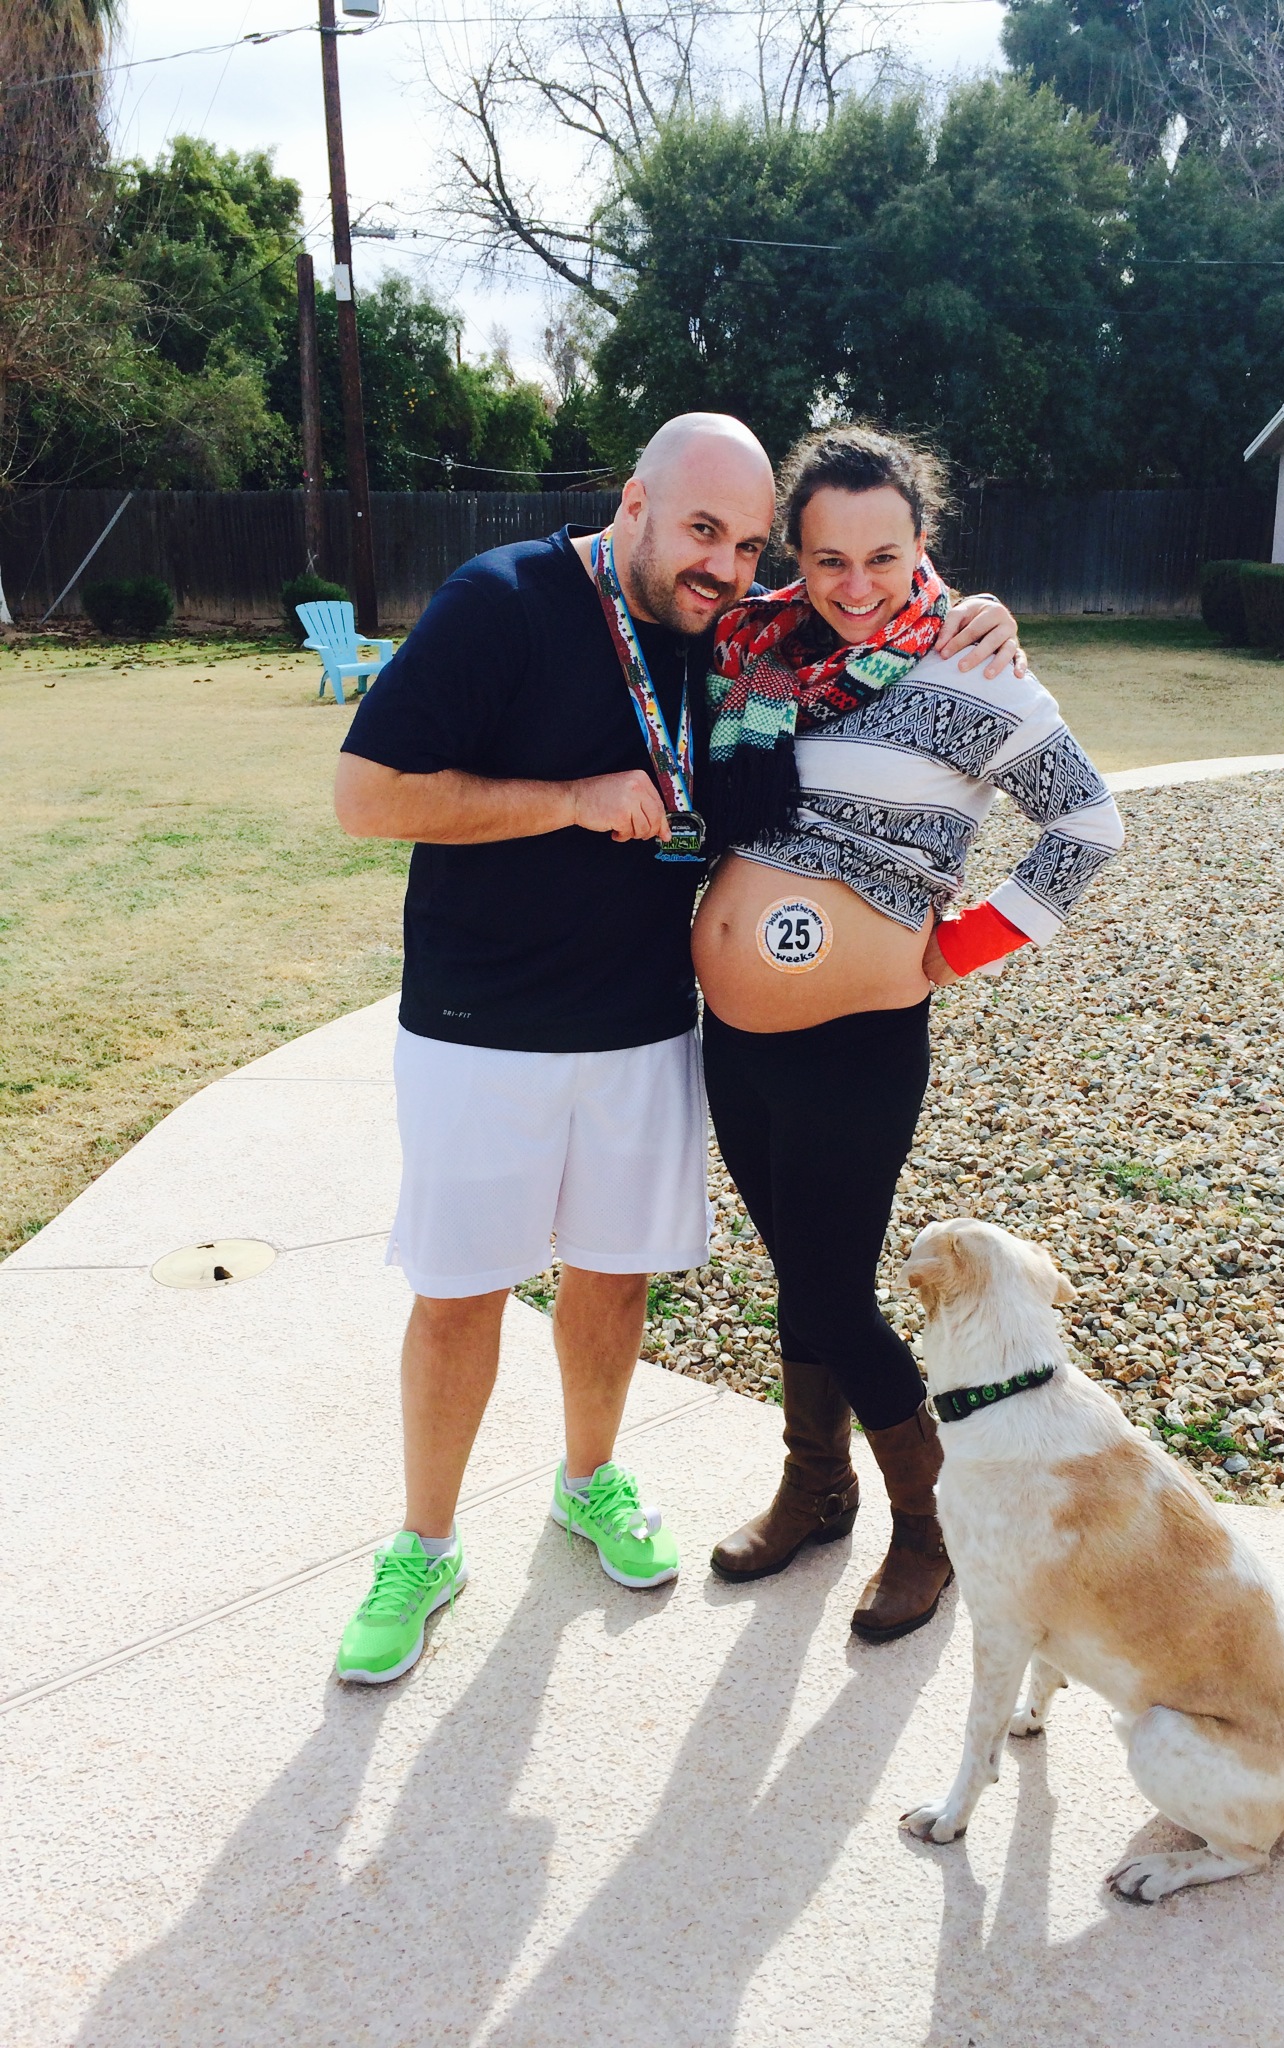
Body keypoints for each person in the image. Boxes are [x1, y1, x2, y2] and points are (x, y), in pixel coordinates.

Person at [328, 412, 1025, 1683]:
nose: (725, 564)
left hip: (650, 1026)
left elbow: (869, 589)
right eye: (705, 530)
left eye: (749, 544)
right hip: (483, 1026)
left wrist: (973, 608)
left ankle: (590, 1478)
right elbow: (365, 795)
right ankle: (423, 1544)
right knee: (462, 1288)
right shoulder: (504, 598)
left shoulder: (740, 637)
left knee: (611, 1277)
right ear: (634, 501)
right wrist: (570, 800)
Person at [693, 424, 1125, 1643]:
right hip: (737, 1041)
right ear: (796, 553)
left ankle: (931, 1527)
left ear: (922, 542)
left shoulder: (976, 667)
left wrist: (964, 943)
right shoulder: (755, 650)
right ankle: (814, 1486)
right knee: (801, 1275)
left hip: (858, 1042)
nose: (856, 586)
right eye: (828, 559)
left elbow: (1087, 825)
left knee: (834, 1289)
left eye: (883, 556)